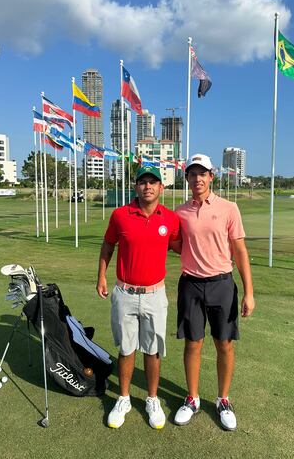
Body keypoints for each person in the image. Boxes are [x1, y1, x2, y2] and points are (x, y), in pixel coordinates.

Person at [172, 154, 255, 431]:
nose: (197, 178)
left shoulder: (229, 208)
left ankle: (223, 399)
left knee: (225, 344)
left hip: (222, 284)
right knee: (193, 343)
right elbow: (175, 243)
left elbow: (240, 251)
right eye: (192, 174)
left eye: (202, 173)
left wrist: (249, 292)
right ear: (187, 179)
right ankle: (192, 398)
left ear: (211, 177)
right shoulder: (180, 212)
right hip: (191, 285)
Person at [97, 166, 180, 430]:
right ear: (136, 187)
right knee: (126, 348)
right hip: (125, 292)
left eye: (152, 182)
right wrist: (101, 276)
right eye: (142, 182)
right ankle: (123, 398)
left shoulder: (170, 219)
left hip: (155, 294)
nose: (147, 186)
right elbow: (108, 244)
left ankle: (152, 399)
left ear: (161, 188)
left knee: (153, 349)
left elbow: (184, 247)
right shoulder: (120, 215)